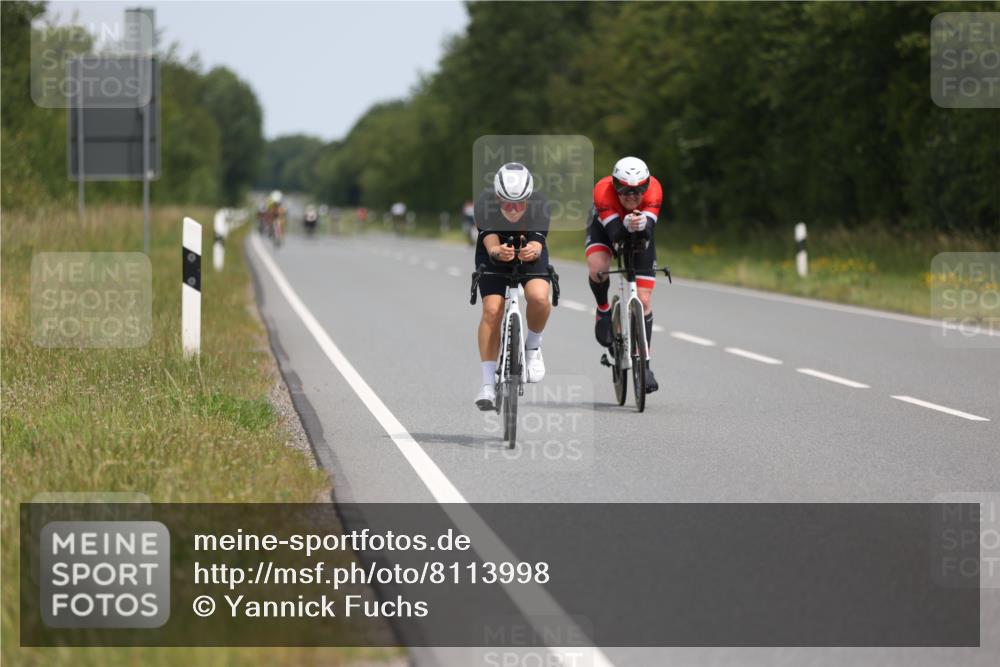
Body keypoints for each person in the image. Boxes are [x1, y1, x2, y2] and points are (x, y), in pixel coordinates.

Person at [473, 163, 552, 410]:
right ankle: (487, 383)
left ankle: (532, 347)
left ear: (529, 198)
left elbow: (538, 242)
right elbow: (490, 241)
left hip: (528, 250)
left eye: (520, 204)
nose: (514, 209)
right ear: (497, 196)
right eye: (507, 203)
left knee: (539, 297)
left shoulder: (540, 204)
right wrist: (497, 251)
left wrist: (533, 249)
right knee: (493, 309)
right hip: (495, 252)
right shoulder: (484, 203)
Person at [584, 157, 662, 393]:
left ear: (647, 186)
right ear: (614, 185)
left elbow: (648, 230)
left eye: (639, 189)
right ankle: (603, 309)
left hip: (638, 230)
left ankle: (645, 366)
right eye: (624, 189)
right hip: (605, 229)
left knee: (645, 299)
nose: (631, 195)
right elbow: (615, 234)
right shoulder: (602, 191)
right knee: (599, 269)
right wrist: (625, 225)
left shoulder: (655, 191)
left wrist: (640, 225)